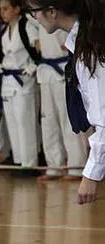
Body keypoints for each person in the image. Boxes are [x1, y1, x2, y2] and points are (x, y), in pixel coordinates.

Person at [25, 0, 105, 204]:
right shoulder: (83, 41)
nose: (35, 18)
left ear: (52, 11)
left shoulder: (92, 49)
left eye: (35, 11)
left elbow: (104, 118)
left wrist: (90, 176)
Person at [0, 0, 40, 175]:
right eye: (1, 9)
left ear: (17, 9)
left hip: (23, 82)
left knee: (25, 123)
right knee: (12, 123)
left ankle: (30, 163)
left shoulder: (27, 26)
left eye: (6, 8)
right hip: (8, 82)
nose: (2, 12)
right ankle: (20, 161)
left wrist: (33, 65)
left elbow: (37, 51)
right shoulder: (4, 30)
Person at [36, 26, 88, 181]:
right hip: (46, 73)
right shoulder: (37, 18)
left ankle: (76, 166)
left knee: (68, 120)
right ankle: (54, 166)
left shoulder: (65, 16)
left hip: (63, 70)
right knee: (48, 121)